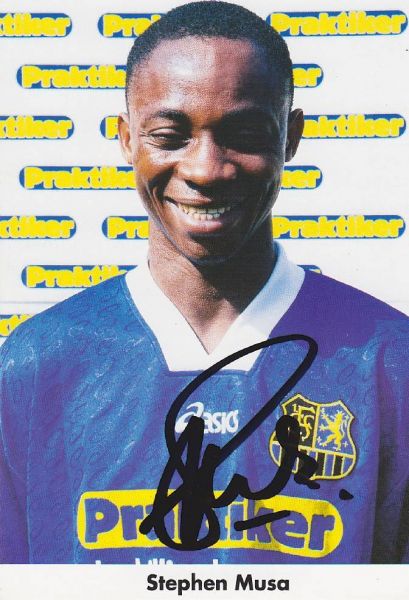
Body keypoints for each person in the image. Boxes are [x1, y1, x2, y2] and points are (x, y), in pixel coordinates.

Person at [1, 1, 408, 565]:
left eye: (244, 134)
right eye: (170, 135)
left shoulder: (390, 361)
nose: (205, 169)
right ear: (127, 138)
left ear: (291, 137)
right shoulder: (36, 364)